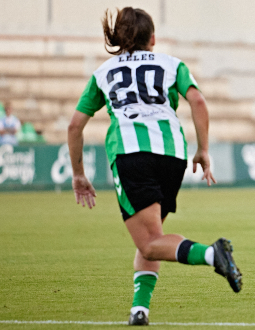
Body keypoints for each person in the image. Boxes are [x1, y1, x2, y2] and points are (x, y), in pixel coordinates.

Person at [67, 7, 242, 325]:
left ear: (118, 39)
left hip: (132, 154)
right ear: (153, 38)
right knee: (152, 239)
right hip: (173, 153)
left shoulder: (104, 72)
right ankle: (139, 310)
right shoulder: (172, 64)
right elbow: (198, 102)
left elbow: (75, 126)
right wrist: (202, 149)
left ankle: (212, 253)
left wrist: (78, 174)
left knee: (148, 242)